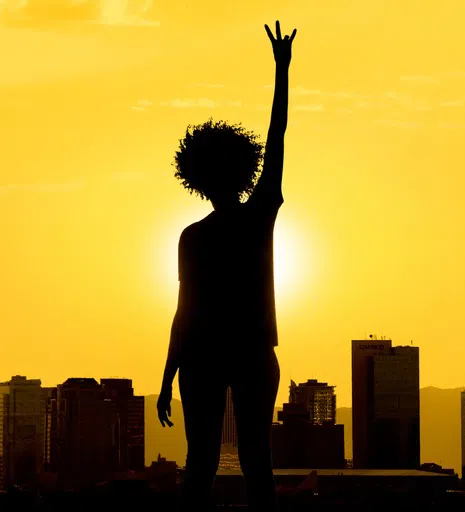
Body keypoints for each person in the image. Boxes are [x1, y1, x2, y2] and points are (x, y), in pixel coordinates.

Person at [156, 21, 297, 511]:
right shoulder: (249, 218)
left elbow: (182, 313)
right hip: (242, 352)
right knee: (250, 462)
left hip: (216, 355)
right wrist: (282, 72)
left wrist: (168, 375)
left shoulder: (197, 235)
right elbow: (276, 139)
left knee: (208, 463)